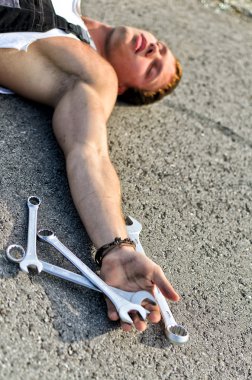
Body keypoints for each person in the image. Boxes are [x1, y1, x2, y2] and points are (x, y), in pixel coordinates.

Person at [0, 0, 182, 332]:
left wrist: (118, 247)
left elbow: (89, 152)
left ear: (125, 88)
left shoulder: (94, 77)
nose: (155, 50)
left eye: (153, 68)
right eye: (162, 49)